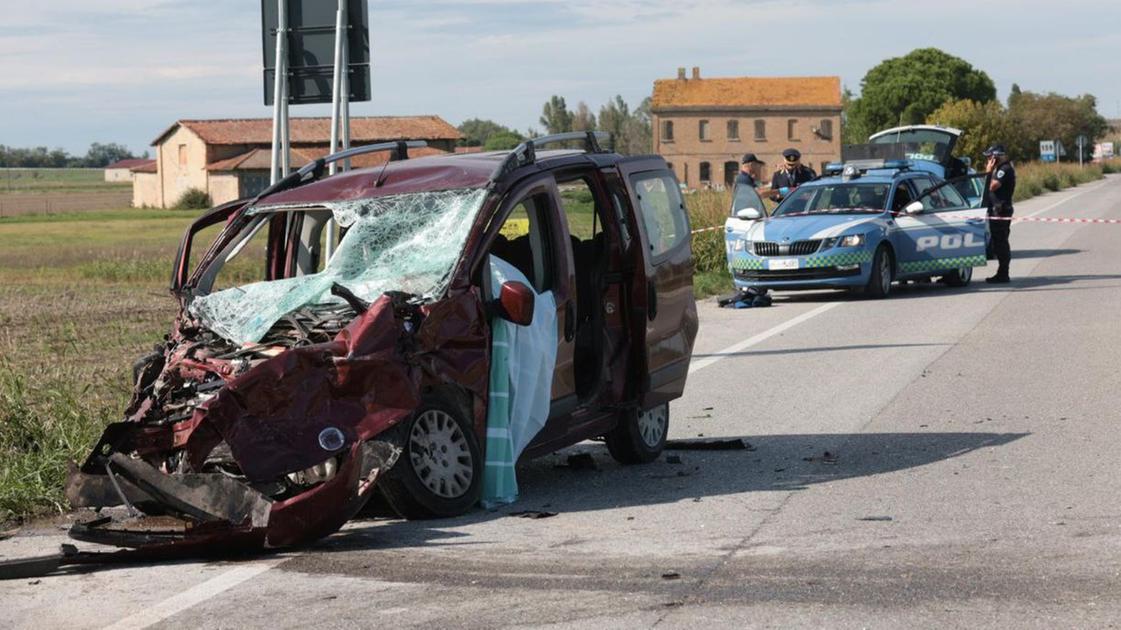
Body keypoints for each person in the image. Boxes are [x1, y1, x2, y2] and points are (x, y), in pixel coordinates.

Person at [983, 144, 1016, 283]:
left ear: (996, 157)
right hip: (997, 210)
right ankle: (1002, 272)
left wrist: (988, 172)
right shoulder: (1002, 168)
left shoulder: (1004, 169)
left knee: (1001, 243)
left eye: (990, 157)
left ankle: (1003, 274)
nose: (989, 160)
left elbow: (992, 186)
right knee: (998, 243)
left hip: (1000, 211)